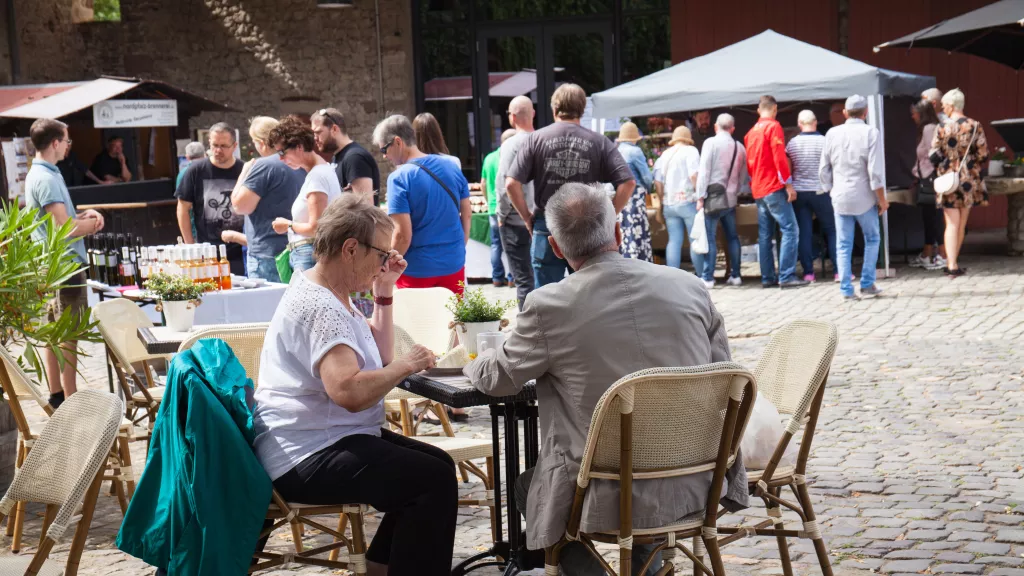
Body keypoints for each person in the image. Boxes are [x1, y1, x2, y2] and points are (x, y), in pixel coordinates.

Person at [464, 183, 747, 576]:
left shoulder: (549, 305)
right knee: (638, 460)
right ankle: (649, 566)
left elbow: (497, 380)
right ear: (617, 233)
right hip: (696, 478)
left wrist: (472, 355)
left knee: (529, 488)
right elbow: (723, 379)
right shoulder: (690, 287)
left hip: (604, 489)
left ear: (558, 249)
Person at [252, 195, 457, 576]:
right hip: (306, 453)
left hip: (316, 438)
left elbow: (375, 358)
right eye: (382, 254)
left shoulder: (325, 290)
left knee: (438, 467)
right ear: (350, 249)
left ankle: (381, 567)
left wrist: (385, 289)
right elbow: (348, 391)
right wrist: (407, 365)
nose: (385, 262)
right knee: (430, 482)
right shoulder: (323, 306)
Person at [506, 83, 635, 287]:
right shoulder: (599, 142)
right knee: (593, 292)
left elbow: (511, 184)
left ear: (554, 109)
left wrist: (527, 218)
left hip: (548, 225)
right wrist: (609, 215)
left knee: (547, 298)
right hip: (590, 225)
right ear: (582, 110)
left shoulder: (536, 140)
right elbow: (628, 183)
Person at [24, 118, 106, 409]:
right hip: (64, 266)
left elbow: (62, 222)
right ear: (56, 143)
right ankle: (69, 401)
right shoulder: (46, 178)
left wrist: (85, 216)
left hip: (52, 265)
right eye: (67, 141)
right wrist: (93, 225)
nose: (69, 146)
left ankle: (58, 394)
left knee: (53, 331)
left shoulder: (44, 173)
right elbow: (65, 229)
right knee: (68, 335)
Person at [373, 114, 471, 294]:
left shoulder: (399, 178)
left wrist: (385, 268)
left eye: (384, 150)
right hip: (453, 263)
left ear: (398, 142)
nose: (385, 156)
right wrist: (457, 249)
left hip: (417, 270)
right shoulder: (451, 167)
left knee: (417, 322)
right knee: (452, 321)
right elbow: (467, 214)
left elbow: (403, 236)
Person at [820, 95, 889, 300]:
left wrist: (830, 190)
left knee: (843, 244)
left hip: (840, 195)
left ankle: (846, 289)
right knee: (872, 238)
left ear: (844, 113)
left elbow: (824, 168)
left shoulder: (832, 133)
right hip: (864, 196)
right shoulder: (870, 132)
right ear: (866, 112)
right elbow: (875, 171)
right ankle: (867, 283)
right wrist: (882, 199)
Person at [232, 116, 306, 281]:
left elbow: (240, 206)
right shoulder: (299, 161)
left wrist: (244, 173)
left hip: (267, 253)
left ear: (262, 143)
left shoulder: (264, 165)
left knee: (265, 306)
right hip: (298, 248)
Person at [267, 116, 344, 273]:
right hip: (311, 253)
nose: (280, 158)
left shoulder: (317, 176)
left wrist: (287, 225)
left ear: (299, 146)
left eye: (282, 152)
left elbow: (316, 228)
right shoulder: (320, 171)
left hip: (309, 254)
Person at [745, 95, 806, 289]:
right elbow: (779, 158)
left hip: (758, 188)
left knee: (765, 235)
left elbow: (749, 164)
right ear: (775, 109)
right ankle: (787, 275)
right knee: (790, 229)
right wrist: (788, 184)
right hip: (773, 186)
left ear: (758, 110)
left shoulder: (750, 133)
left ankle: (767, 277)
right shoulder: (773, 127)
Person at [929, 88, 989, 277]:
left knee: (951, 223)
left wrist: (947, 159)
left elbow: (933, 154)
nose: (942, 107)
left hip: (948, 177)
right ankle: (955, 261)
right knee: (961, 223)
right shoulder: (975, 125)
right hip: (969, 178)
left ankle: (951, 264)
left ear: (951, 105)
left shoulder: (942, 128)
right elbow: (983, 154)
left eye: (944, 104)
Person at [175, 122, 245, 275]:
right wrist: (190, 246)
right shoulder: (195, 170)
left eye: (223, 146)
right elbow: (182, 208)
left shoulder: (244, 170)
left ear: (235, 146)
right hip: (207, 253)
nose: (218, 150)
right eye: (214, 145)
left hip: (240, 253)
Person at [696, 113, 748, 287]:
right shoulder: (739, 147)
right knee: (733, 237)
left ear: (716, 126)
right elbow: (742, 175)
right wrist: (735, 190)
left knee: (710, 238)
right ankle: (736, 275)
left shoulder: (710, 143)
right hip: (730, 199)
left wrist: (700, 196)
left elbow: (704, 172)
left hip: (712, 198)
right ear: (732, 128)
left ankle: (708, 277)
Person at [496, 95, 537, 308]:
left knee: (523, 280)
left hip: (515, 220)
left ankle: (527, 330)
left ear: (512, 118)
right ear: (533, 115)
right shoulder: (543, 140)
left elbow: (505, 185)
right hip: (542, 220)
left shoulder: (510, 145)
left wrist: (501, 215)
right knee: (544, 278)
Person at [786, 110, 837, 282]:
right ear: (815, 122)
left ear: (799, 124)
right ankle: (839, 270)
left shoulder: (792, 144)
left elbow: (789, 168)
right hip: (821, 190)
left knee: (804, 232)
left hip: (800, 192)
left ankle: (808, 272)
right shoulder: (825, 141)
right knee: (831, 230)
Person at [653, 126, 702, 274]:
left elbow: (657, 181)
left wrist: (663, 199)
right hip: (688, 202)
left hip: (669, 204)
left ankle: (672, 277)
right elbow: (694, 175)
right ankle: (701, 276)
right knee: (695, 240)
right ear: (688, 139)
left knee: (674, 241)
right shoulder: (691, 151)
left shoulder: (665, 155)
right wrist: (699, 194)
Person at [311, 108, 380, 206]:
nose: (315, 138)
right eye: (313, 133)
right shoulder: (337, 157)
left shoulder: (355, 158)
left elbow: (365, 209)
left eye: (318, 132)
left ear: (334, 129)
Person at [909, 100, 947, 271]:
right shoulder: (933, 127)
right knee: (931, 216)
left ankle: (940, 254)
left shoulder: (928, 128)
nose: (912, 116)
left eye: (914, 113)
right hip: (929, 176)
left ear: (921, 113)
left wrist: (925, 171)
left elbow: (932, 153)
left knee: (933, 216)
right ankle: (929, 253)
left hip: (930, 177)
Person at [615, 121, 654, 261]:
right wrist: (649, 189)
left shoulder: (616, 151)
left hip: (619, 197)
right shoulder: (635, 151)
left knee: (624, 231)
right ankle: (639, 262)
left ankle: (625, 262)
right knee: (637, 232)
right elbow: (646, 177)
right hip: (634, 197)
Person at [481, 129, 516, 287]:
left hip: (493, 208)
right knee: (511, 245)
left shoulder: (489, 158)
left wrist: (489, 201)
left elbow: (483, 183)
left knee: (496, 245)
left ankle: (497, 278)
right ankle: (512, 278)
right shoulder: (512, 157)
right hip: (509, 207)